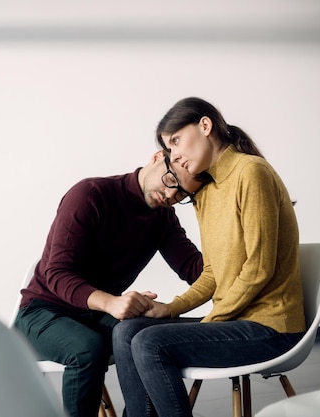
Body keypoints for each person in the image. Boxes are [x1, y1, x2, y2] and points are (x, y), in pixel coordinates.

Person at [112, 97, 305, 417]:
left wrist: (211, 321)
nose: (174, 156)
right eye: (168, 149)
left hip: (271, 328)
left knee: (150, 344)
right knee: (126, 331)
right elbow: (213, 273)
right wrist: (170, 309)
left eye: (175, 141)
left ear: (205, 125)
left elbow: (258, 269)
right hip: (236, 321)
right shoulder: (205, 192)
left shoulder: (250, 172)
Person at [13, 150, 206, 417]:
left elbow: (194, 268)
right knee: (88, 348)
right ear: (157, 157)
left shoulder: (163, 218)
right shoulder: (90, 194)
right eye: (172, 180)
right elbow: (56, 273)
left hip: (95, 314)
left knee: (146, 338)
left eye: (183, 194)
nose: (172, 195)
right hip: (43, 311)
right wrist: (113, 303)